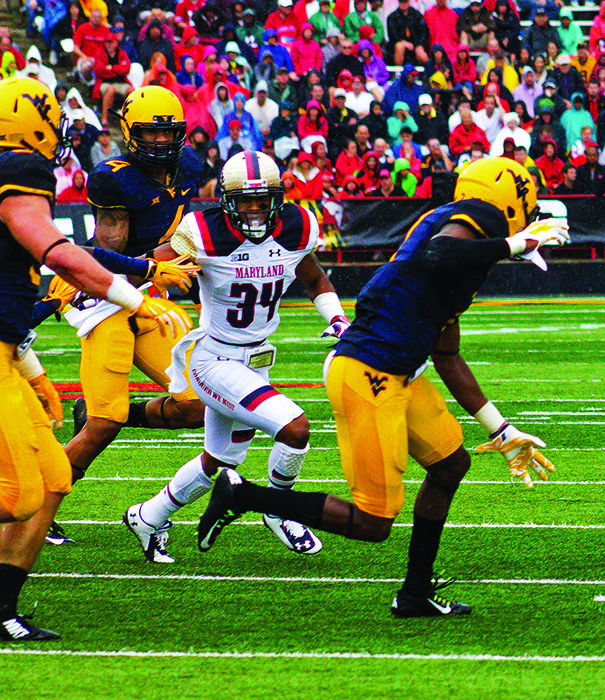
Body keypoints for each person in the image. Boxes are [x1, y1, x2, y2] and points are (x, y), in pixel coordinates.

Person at [195, 158, 569, 616]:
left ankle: (415, 594)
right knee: (373, 522)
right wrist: (511, 242)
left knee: (451, 464)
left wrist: (501, 429)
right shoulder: (479, 222)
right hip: (369, 372)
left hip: (398, 371)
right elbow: (439, 255)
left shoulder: (461, 241)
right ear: (512, 203)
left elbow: (447, 354)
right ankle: (243, 494)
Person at [0, 77, 190, 642]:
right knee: (18, 492)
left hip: (12, 348)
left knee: (53, 476)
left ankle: (3, 610)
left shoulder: (184, 170)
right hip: (104, 301)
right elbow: (57, 249)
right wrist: (136, 286)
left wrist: (31, 367)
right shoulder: (25, 172)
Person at [122, 151, 349, 563]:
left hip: (257, 359)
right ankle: (279, 508)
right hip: (213, 360)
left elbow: (314, 277)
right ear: (227, 199)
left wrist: (337, 320)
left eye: (264, 199)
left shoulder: (297, 226)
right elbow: (149, 267)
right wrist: (141, 287)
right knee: (295, 429)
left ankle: (147, 516)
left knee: (221, 459)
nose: (256, 209)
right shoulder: (203, 233)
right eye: (246, 199)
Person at [55, 86, 208, 543]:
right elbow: (104, 258)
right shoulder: (113, 177)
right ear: (128, 131)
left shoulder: (191, 167)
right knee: (105, 423)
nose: (161, 142)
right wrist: (157, 262)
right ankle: (33, 507)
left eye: (168, 132)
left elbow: (177, 237)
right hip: (101, 296)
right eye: (150, 132)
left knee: (196, 404)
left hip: (146, 293)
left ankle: (102, 414)